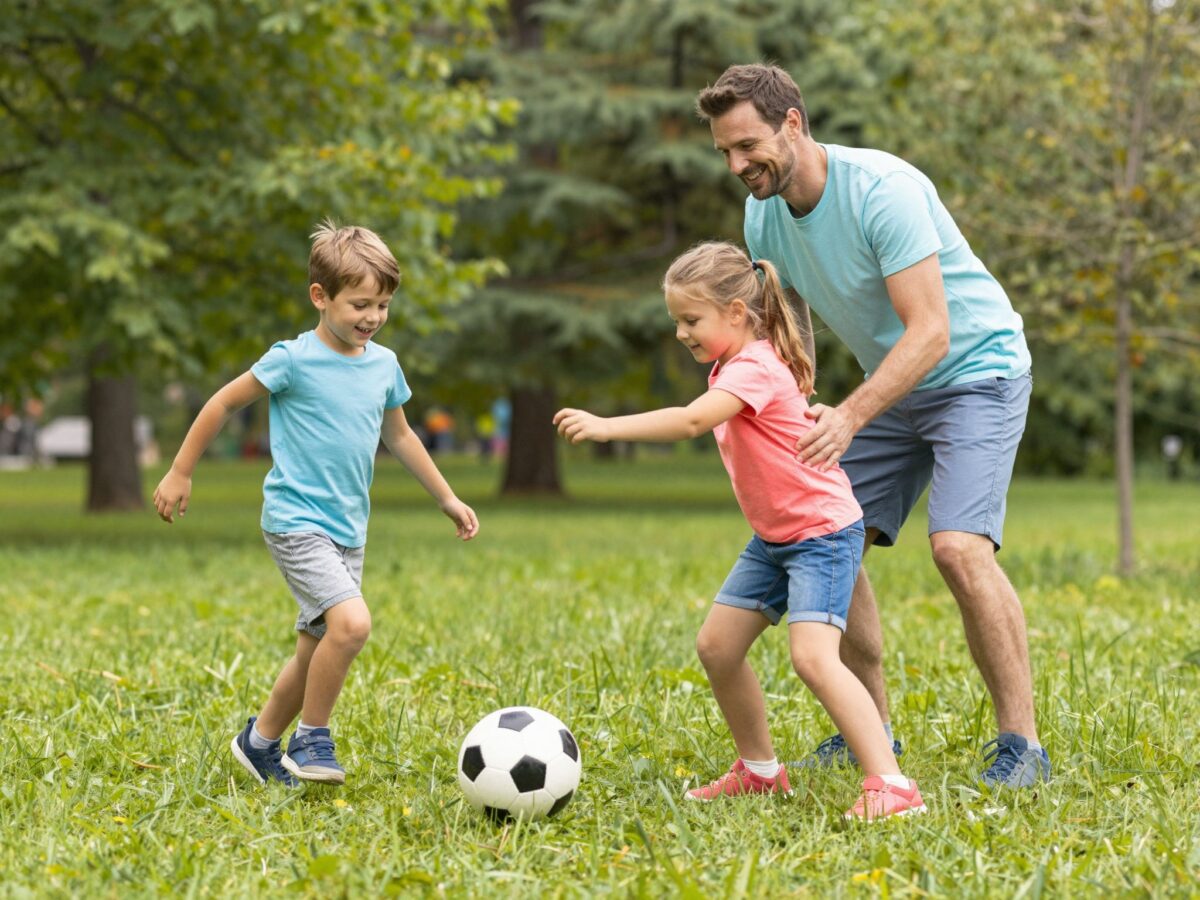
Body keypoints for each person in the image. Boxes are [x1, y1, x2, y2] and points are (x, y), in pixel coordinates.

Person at [695, 64, 1047, 788]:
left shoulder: (882, 190)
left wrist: (852, 414)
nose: (736, 165)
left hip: (975, 371)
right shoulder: (763, 214)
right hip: (891, 386)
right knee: (827, 532)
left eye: (747, 145)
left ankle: (1022, 745)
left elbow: (931, 333)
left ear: (793, 122)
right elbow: (789, 327)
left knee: (956, 548)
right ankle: (870, 730)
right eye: (724, 152)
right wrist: (797, 408)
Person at [555, 242, 926, 820]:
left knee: (814, 658)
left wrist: (606, 426)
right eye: (676, 320)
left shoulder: (753, 366)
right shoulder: (734, 364)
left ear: (735, 312)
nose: (681, 332)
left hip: (821, 535)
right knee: (718, 647)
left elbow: (692, 420)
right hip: (777, 537)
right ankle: (759, 771)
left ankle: (892, 784)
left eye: (690, 319)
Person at [153, 222, 480, 787]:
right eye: (360, 304)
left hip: (348, 529)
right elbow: (221, 403)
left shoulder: (383, 364)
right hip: (295, 522)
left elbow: (400, 436)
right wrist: (181, 470)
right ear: (320, 297)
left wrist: (447, 497)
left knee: (315, 651)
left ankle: (257, 744)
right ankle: (312, 737)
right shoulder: (292, 360)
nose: (372, 316)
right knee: (351, 626)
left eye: (382, 304)